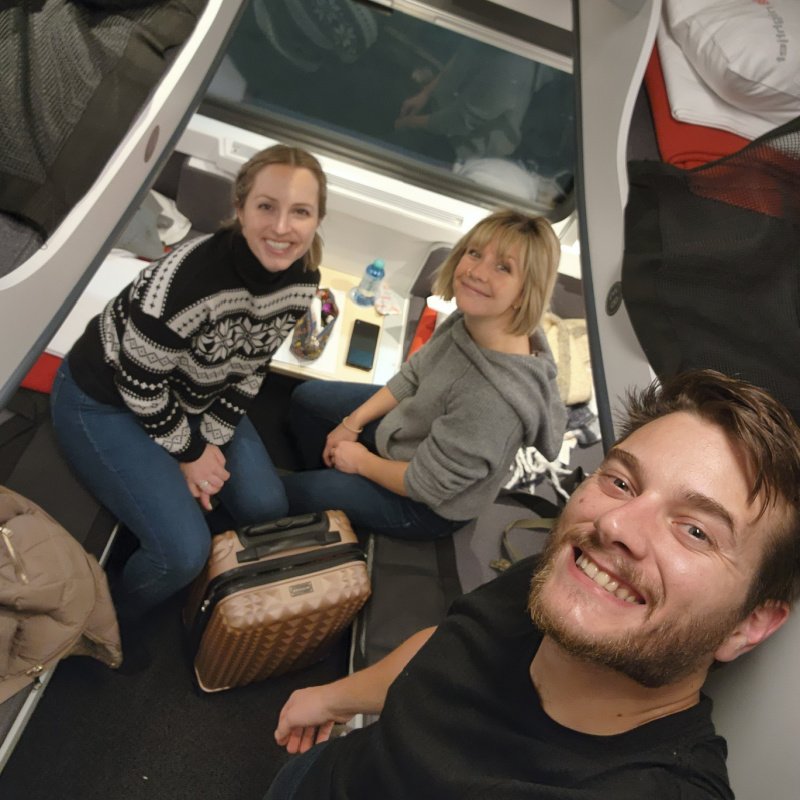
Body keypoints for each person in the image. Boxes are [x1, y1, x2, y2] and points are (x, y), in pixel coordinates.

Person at [266, 369, 800, 799]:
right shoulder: (567, 578)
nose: (615, 525)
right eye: (620, 482)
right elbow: (451, 644)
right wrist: (334, 698)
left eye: (695, 530)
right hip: (326, 773)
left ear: (750, 624)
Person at [50, 143, 326, 627]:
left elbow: (251, 367)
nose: (282, 228)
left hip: (195, 395)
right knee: (182, 553)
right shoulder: (186, 282)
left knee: (266, 505)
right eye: (266, 207)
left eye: (299, 212)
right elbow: (138, 384)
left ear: (316, 219)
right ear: (239, 209)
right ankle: (109, 623)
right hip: (105, 399)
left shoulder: (302, 280)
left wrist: (212, 442)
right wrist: (191, 454)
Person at [280, 209, 567, 540]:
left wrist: (359, 463)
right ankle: (328, 470)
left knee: (291, 494)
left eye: (503, 267)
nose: (476, 272)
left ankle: (326, 490)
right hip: (413, 429)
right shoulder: (473, 318)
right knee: (308, 399)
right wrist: (351, 424)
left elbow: (426, 485)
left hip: (425, 504)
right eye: (475, 253)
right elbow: (415, 374)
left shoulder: (494, 404)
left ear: (524, 292)